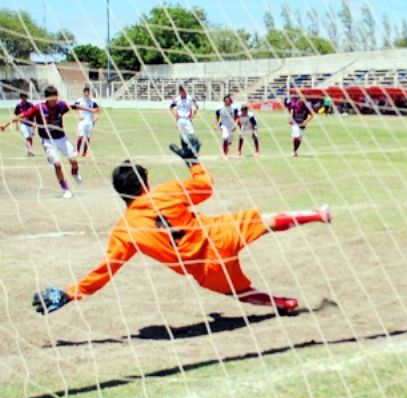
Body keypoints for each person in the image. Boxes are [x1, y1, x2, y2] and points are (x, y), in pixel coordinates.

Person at [30, 137, 332, 316]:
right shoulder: (167, 191)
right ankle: (318, 214)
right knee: (266, 221)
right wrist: (192, 160)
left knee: (238, 292)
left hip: (205, 267)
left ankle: (284, 302)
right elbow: (206, 186)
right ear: (145, 182)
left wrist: (70, 293)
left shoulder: (125, 230)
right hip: (219, 233)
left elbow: (105, 271)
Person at [0, 85, 91, 198]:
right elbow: (22, 115)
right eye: (54, 97)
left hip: (62, 139)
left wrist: (90, 109)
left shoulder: (61, 105)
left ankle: (74, 173)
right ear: (48, 98)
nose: (56, 100)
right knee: (57, 165)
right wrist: (6, 124)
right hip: (48, 141)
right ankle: (65, 189)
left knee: (73, 160)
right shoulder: (39, 108)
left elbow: (75, 106)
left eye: (57, 97)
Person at [74, 87, 101, 157]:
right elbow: (75, 108)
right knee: (80, 136)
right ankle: (77, 151)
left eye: (87, 92)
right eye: (85, 92)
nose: (86, 94)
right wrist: (78, 116)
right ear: (83, 93)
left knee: (88, 137)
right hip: (82, 121)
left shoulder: (93, 101)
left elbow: (98, 111)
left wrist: (95, 119)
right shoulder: (79, 100)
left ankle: (85, 152)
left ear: (89, 93)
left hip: (89, 122)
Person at [215, 94, 238, 160]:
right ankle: (224, 155)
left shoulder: (234, 109)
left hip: (231, 126)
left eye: (228, 100)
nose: (227, 101)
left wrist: (235, 125)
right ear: (224, 101)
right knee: (225, 137)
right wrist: (216, 125)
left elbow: (237, 118)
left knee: (229, 141)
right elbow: (217, 118)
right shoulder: (220, 109)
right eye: (225, 100)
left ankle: (226, 148)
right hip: (223, 125)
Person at [13, 92, 35, 157]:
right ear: (21, 97)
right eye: (23, 97)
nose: (24, 98)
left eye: (25, 97)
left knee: (30, 137)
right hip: (23, 124)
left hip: (30, 123)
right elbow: (16, 115)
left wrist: (34, 123)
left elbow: (34, 115)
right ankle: (29, 150)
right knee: (27, 137)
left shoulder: (31, 105)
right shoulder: (18, 106)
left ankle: (30, 150)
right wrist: (17, 124)